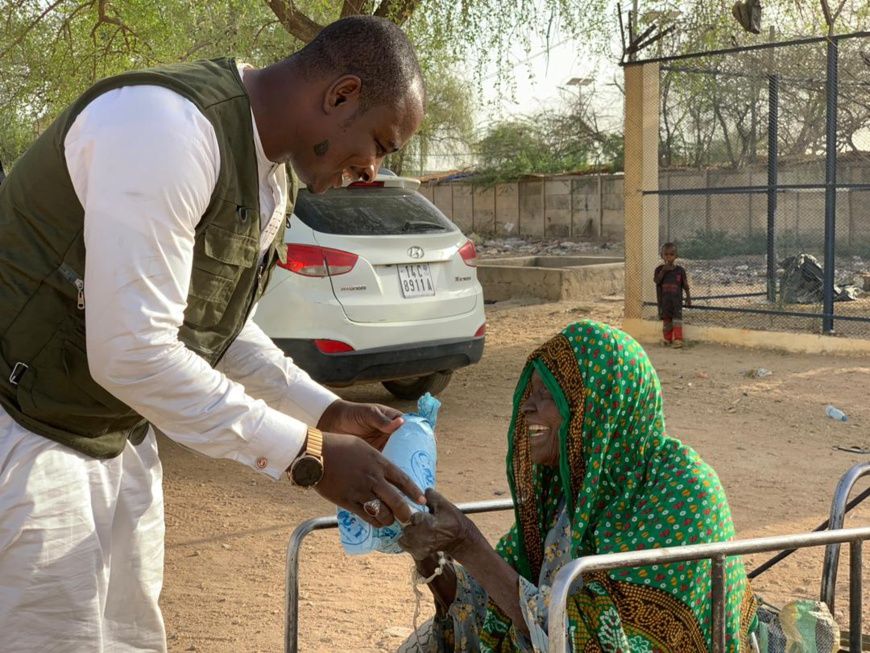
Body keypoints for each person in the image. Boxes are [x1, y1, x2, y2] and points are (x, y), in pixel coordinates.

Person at [0, 16, 427, 652]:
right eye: (381, 144)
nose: (372, 170)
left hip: (112, 439)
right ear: (340, 95)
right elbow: (132, 354)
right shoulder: (163, 128)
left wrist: (325, 409)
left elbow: (213, 327)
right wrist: (306, 454)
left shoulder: (268, 177)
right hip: (28, 436)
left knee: (127, 640)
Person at [398, 321, 757, 652]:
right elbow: (490, 600)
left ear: (598, 406)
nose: (526, 407)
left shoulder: (683, 493)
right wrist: (428, 548)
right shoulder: (570, 494)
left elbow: (602, 642)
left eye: (548, 393)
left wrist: (468, 542)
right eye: (530, 391)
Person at [654, 242, 692, 348]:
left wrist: (688, 298)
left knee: (677, 320)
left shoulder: (680, 270)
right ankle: (667, 339)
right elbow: (657, 281)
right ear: (662, 255)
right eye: (666, 254)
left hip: (676, 301)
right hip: (664, 301)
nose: (668, 257)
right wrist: (663, 271)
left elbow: (685, 285)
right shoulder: (659, 269)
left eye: (671, 254)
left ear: (676, 256)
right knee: (666, 321)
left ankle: (678, 340)